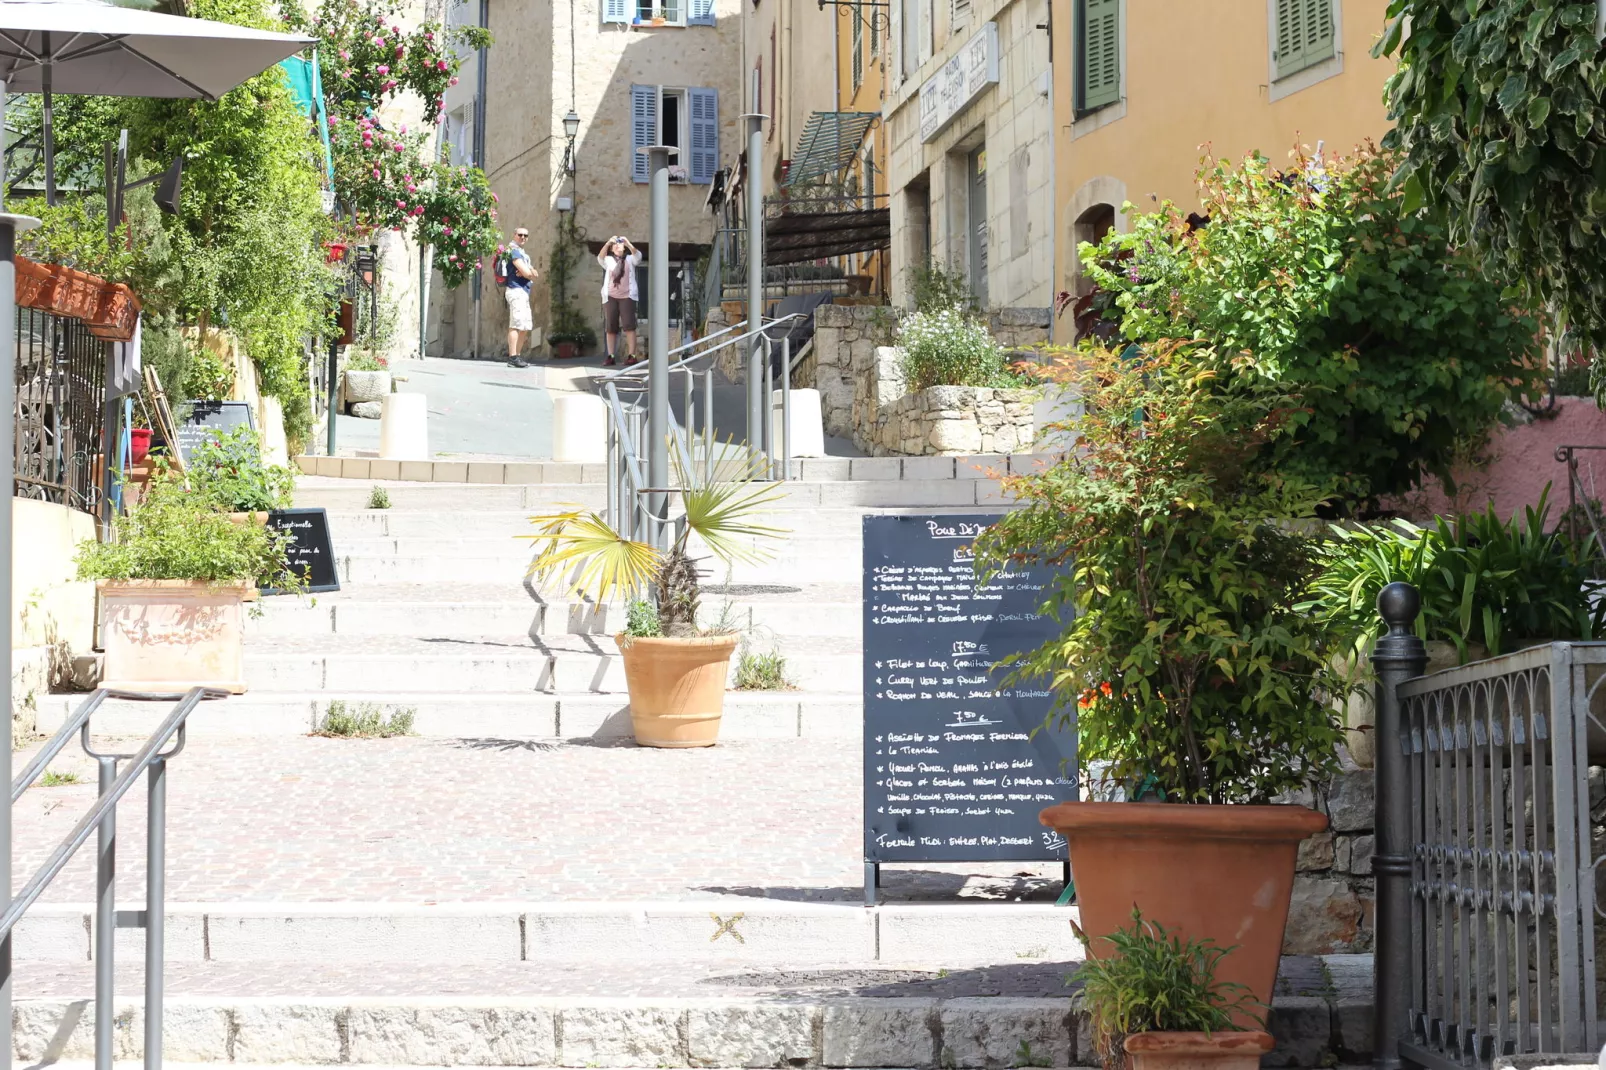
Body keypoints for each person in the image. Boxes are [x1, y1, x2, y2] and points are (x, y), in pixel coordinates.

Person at [598, 235, 642, 367]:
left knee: (629, 326)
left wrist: (628, 242)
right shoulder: (609, 260)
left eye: (620, 244)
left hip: (627, 296)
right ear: (612, 249)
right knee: (611, 327)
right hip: (610, 296)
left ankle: (632, 356)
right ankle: (610, 356)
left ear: (624, 247)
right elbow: (600, 258)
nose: (617, 246)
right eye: (615, 245)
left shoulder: (630, 259)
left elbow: (638, 257)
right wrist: (607, 243)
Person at [502, 227, 538, 368]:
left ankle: (517, 356)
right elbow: (527, 272)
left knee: (524, 325)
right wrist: (528, 272)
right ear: (514, 235)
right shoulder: (513, 250)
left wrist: (529, 272)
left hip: (523, 291)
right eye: (520, 235)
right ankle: (512, 357)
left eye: (525, 235)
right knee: (516, 324)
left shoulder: (522, 253)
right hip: (515, 290)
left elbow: (532, 272)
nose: (523, 237)